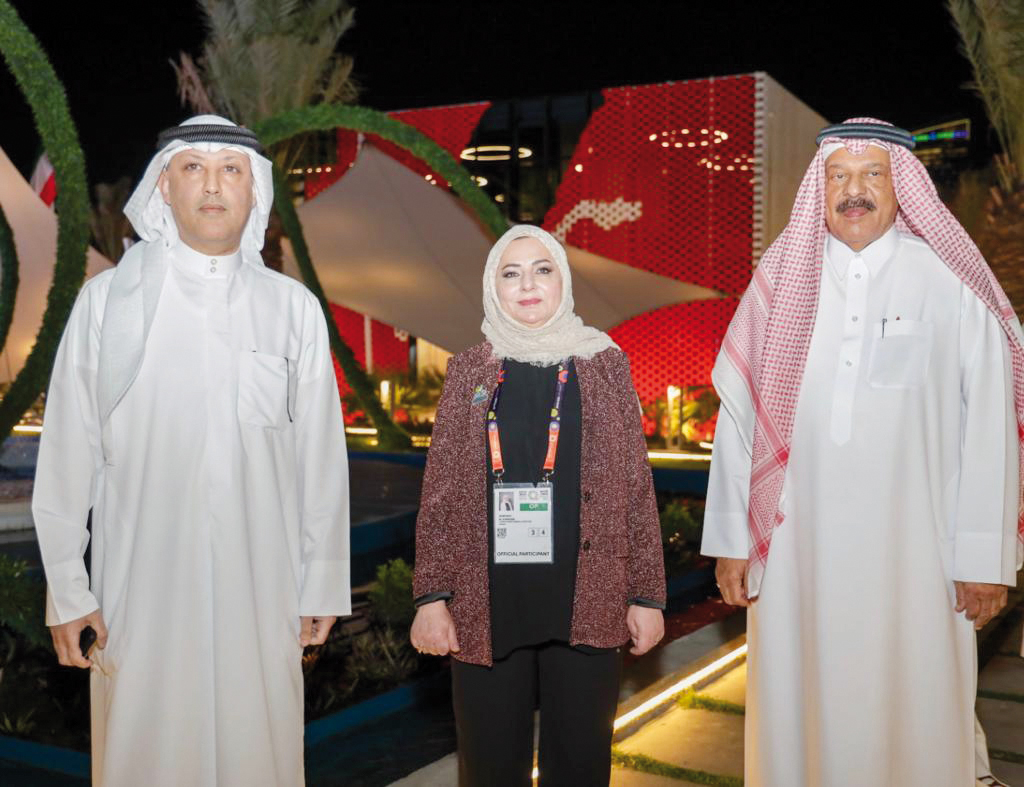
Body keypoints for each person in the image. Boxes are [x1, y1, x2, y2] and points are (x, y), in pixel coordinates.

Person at [701, 118, 1023, 786]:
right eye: (839, 176)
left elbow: (992, 421)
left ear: (901, 187)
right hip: (797, 556)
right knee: (799, 710)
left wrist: (985, 557)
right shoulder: (781, 276)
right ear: (817, 188)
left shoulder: (947, 280)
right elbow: (740, 418)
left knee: (916, 709)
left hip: (919, 554)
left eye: (873, 175)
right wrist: (733, 537)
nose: (855, 191)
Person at [32, 115, 351, 787]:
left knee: (258, 753)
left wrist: (321, 579)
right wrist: (67, 587)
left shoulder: (292, 309)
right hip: (138, 596)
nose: (213, 185)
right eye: (194, 169)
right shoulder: (104, 304)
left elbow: (319, 461)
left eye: (230, 169)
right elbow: (67, 454)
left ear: (254, 191)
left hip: (261, 597)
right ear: (164, 190)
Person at [410, 225, 666, 786]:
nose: (528, 284)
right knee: (489, 767)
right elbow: (442, 491)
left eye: (542, 269)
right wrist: (432, 597)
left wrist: (645, 595)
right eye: (511, 272)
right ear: (492, 287)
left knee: (579, 764)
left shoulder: (605, 364)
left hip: (587, 599)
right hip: (488, 603)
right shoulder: (468, 371)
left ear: (563, 281)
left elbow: (636, 483)